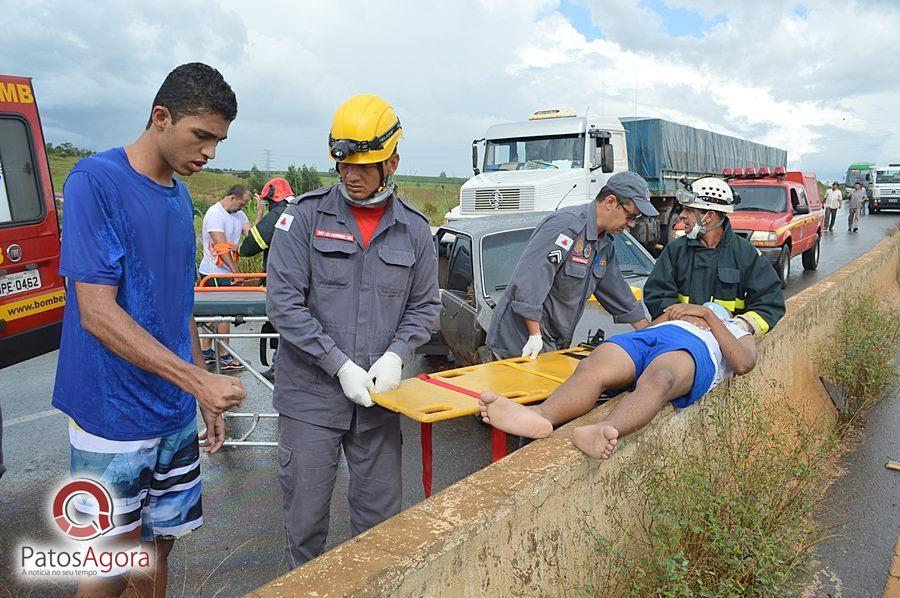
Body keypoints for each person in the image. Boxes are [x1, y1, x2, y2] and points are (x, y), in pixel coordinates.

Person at [52, 63, 247, 597]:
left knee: (158, 549)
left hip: (173, 411)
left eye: (218, 141)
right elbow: (96, 312)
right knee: (108, 563)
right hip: (111, 415)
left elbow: (177, 303)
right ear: (161, 117)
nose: (210, 153)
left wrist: (201, 390)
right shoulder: (96, 181)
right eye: (202, 136)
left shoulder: (180, 196)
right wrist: (196, 382)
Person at [266, 94, 441, 568]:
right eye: (344, 165)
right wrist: (337, 363)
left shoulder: (416, 232)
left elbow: (426, 307)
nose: (351, 176)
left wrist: (399, 353)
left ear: (393, 162)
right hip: (311, 401)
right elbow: (283, 304)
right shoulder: (301, 218)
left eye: (365, 166)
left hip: (380, 405)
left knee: (381, 527)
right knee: (304, 523)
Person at [479, 301, 757, 459]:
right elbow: (650, 328)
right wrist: (678, 313)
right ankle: (540, 415)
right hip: (653, 336)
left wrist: (710, 317)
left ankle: (605, 428)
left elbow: (743, 363)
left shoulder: (735, 330)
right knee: (595, 365)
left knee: (661, 378)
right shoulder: (684, 315)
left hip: (696, 349)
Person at [486, 171, 657, 361]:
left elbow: (616, 289)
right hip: (521, 341)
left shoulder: (604, 243)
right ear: (610, 202)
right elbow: (531, 280)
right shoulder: (565, 227)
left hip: (553, 340)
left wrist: (648, 333)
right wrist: (534, 336)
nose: (632, 224)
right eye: (630, 216)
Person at [643, 177, 785, 337]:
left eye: (689, 210)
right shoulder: (675, 250)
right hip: (682, 338)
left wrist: (743, 325)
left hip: (728, 345)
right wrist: (684, 317)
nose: (682, 215)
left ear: (709, 216)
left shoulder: (746, 254)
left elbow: (771, 303)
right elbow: (656, 294)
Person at [238, 177, 294, 381]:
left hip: (282, 283)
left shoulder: (279, 214)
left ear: (272, 199)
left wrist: (260, 215)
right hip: (302, 281)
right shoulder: (302, 209)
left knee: (282, 326)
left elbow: (248, 247)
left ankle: (280, 367)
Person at [198, 184, 252, 370]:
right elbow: (221, 248)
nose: (242, 208)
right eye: (242, 204)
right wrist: (236, 273)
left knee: (218, 315)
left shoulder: (239, 214)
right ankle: (225, 355)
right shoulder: (215, 214)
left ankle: (206, 352)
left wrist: (260, 212)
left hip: (227, 271)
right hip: (214, 271)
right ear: (232, 198)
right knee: (222, 315)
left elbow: (252, 236)